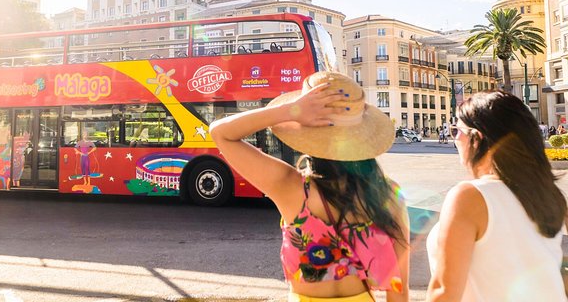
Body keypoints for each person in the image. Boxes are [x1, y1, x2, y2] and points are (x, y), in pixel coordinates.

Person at [209, 72, 409, 302]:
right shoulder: (389, 194)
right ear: (362, 135)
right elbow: (399, 290)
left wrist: (290, 110)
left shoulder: (290, 187)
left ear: (308, 131)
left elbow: (221, 133)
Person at [426, 90, 567, 301]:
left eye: (457, 131)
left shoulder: (470, 196)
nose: (455, 138)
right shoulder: (549, 192)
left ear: (477, 138)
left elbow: (444, 292)